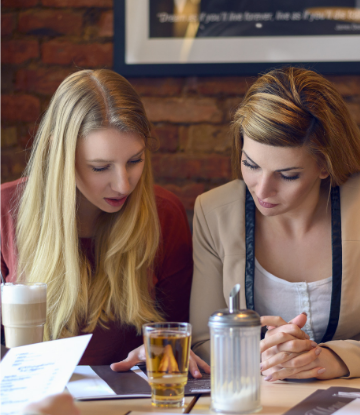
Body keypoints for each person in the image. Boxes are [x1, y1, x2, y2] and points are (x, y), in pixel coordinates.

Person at [1, 69, 193, 366]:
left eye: (135, 161)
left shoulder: (164, 214)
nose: (123, 184)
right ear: (58, 153)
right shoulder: (5, 210)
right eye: (100, 167)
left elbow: (179, 333)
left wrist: (162, 351)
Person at [190, 67, 360, 380]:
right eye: (250, 164)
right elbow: (202, 340)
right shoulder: (213, 211)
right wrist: (261, 355)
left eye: (287, 175)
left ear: (325, 165)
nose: (262, 190)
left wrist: (330, 359)